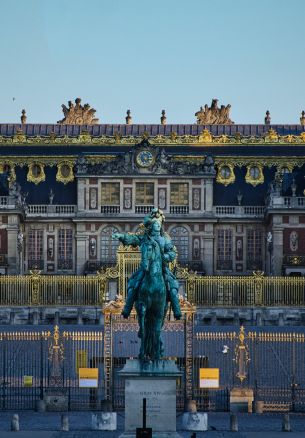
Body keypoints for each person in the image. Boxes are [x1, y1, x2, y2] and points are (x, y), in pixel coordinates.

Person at [112, 208, 182, 320]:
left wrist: (166, 257)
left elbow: (172, 252)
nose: (158, 226)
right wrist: (121, 236)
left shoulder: (165, 239)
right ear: (151, 226)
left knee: (173, 288)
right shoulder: (145, 238)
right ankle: (127, 309)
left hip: (162, 268)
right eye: (156, 224)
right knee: (133, 286)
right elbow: (133, 239)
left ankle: (177, 310)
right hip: (145, 268)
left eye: (159, 224)